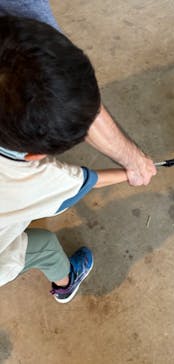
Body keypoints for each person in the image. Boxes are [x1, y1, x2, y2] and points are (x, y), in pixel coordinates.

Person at [0, 4, 156, 303]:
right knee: (43, 245)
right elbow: (84, 182)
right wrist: (130, 173)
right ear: (35, 156)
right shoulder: (31, 180)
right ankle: (66, 282)